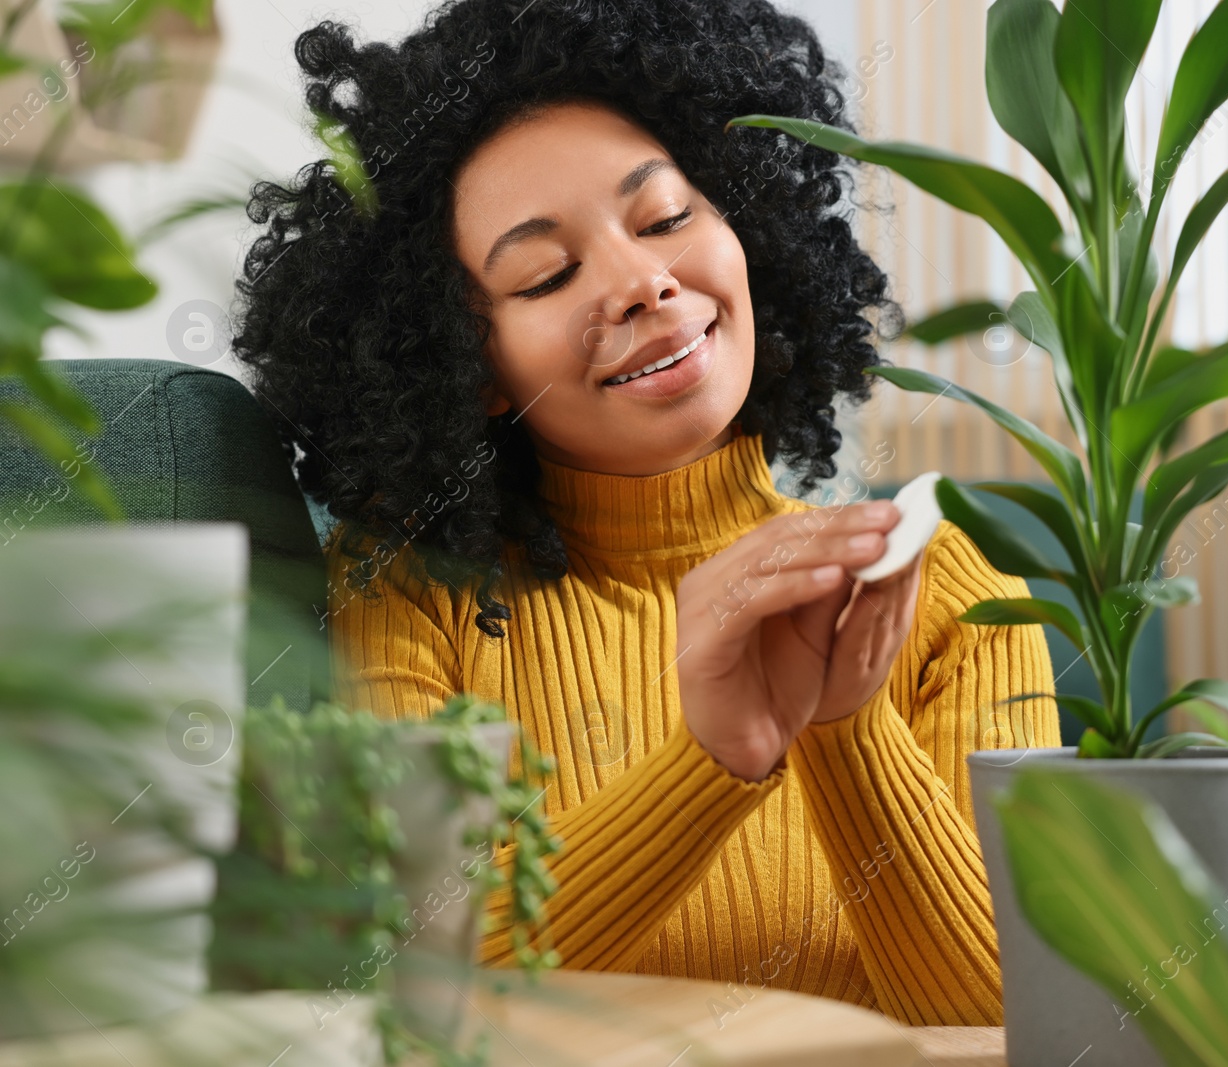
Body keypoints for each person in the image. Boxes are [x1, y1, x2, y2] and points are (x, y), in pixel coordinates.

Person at [232, 0, 1058, 1027]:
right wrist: (710, 762)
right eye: (545, 274)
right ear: (468, 365)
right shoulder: (408, 590)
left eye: (666, 217)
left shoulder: (958, 593)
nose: (643, 281)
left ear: (746, 229)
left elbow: (1012, 1021)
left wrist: (840, 721)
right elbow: (415, 980)